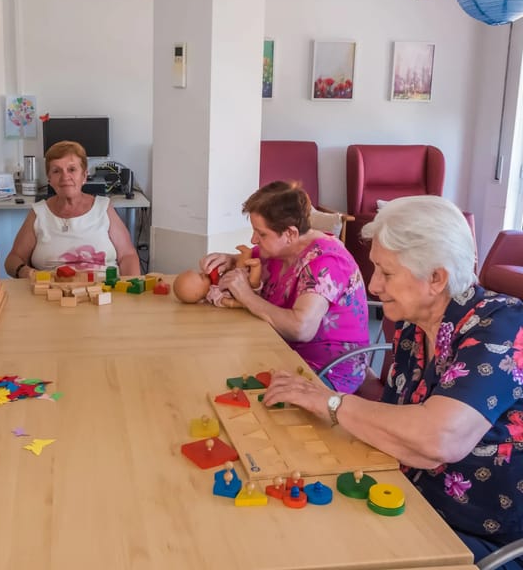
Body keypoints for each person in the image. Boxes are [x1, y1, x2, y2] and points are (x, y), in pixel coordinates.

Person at [263, 195, 523, 567]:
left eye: (386, 273)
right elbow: (402, 429)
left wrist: (331, 403)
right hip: (405, 500)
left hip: (482, 544)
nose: (373, 286)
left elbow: (437, 440)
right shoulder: (412, 325)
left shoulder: (502, 328)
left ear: (436, 278)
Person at [201, 181, 370, 394]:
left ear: (290, 233)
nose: (254, 239)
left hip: (325, 374)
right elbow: (251, 258)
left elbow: (301, 329)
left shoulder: (327, 262)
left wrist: (245, 295)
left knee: (221, 381)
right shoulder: (281, 250)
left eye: (261, 234)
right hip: (282, 353)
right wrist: (230, 259)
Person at [4, 140, 139, 279]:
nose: (65, 177)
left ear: (84, 176)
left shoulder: (104, 208)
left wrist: (131, 291)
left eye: (72, 169)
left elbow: (127, 255)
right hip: (51, 293)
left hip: (105, 292)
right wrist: (26, 272)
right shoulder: (39, 213)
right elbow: (13, 260)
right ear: (49, 179)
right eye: (56, 171)